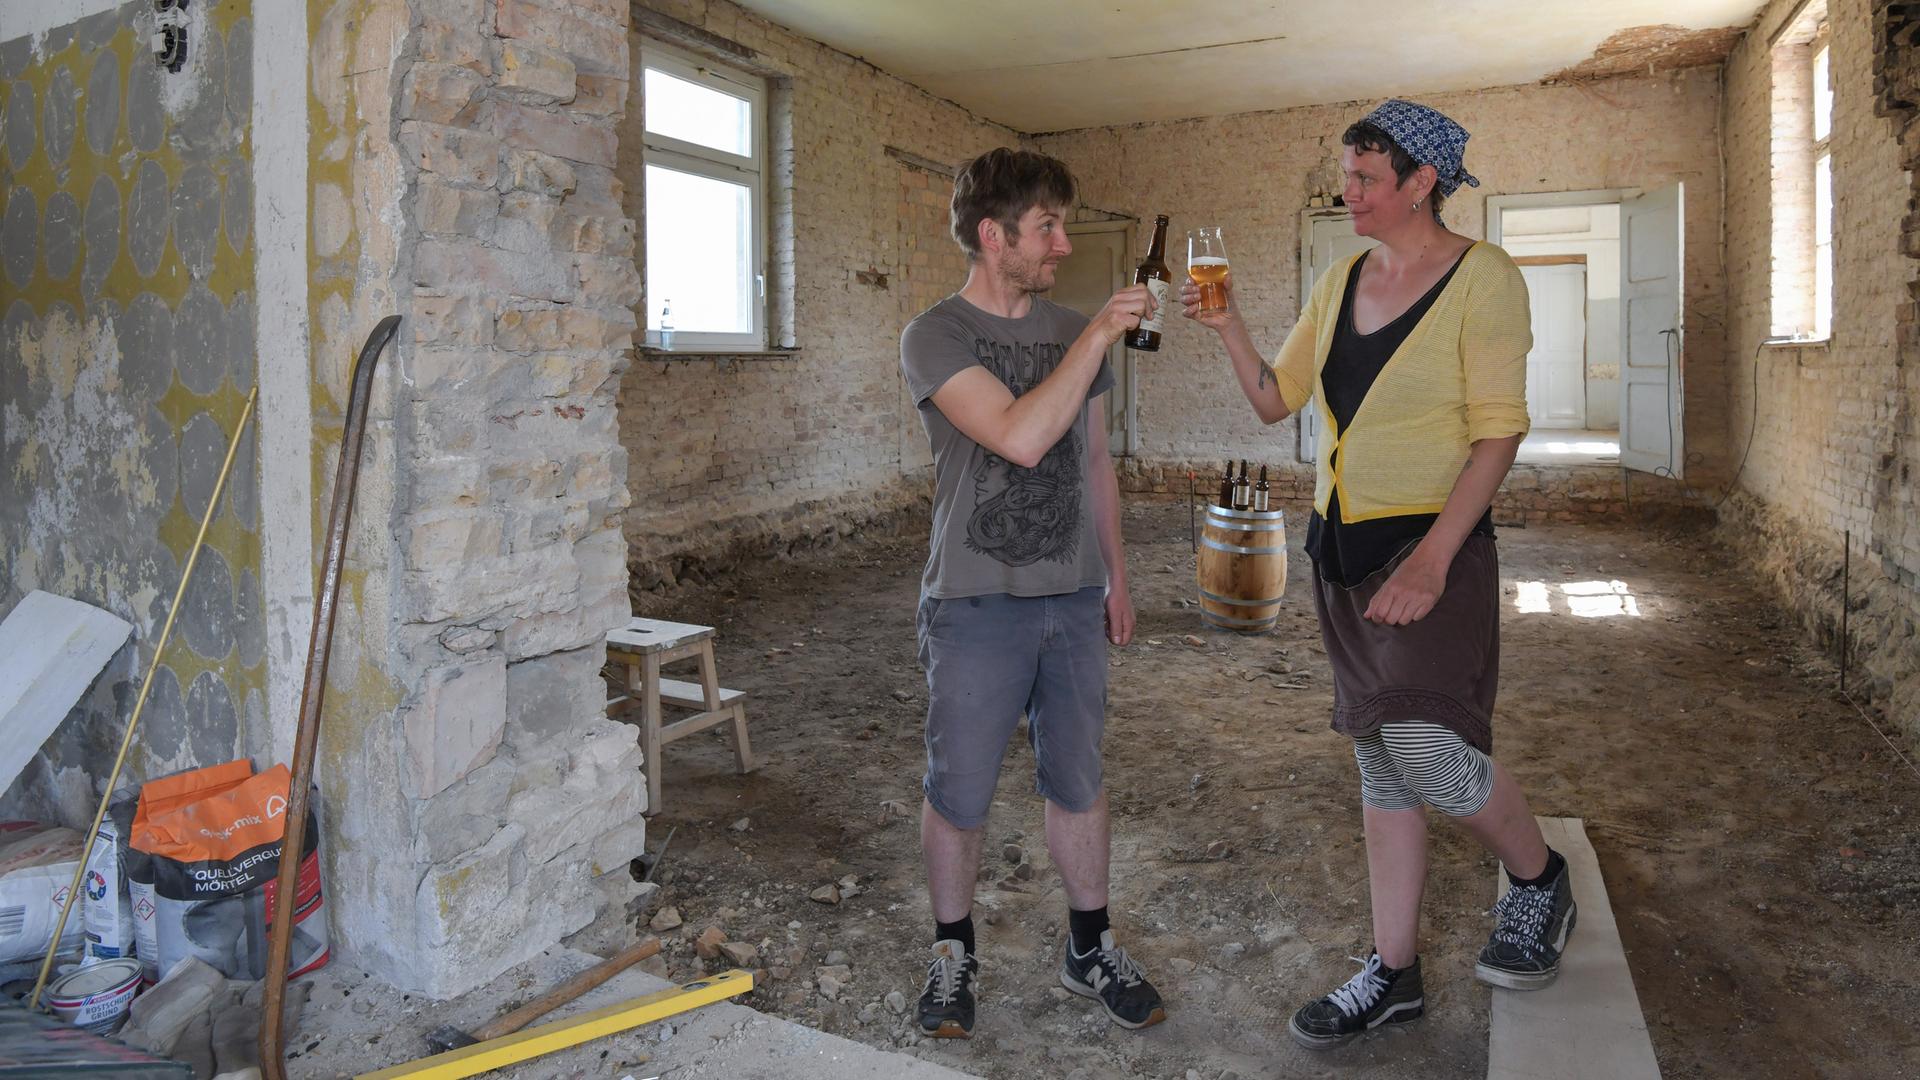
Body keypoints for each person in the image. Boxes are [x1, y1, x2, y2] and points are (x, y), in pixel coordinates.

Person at [1180, 100, 1576, 1050]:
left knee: (1429, 749)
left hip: (1430, 546)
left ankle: (1538, 878)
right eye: (1346, 176)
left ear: (1421, 183)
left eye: (1365, 179)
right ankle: (1393, 971)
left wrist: (1437, 562)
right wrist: (1231, 323)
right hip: (1341, 547)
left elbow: (1499, 431)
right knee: (1379, 757)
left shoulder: (1485, 279)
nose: (1347, 192)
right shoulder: (1342, 275)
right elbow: (1276, 401)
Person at [898, 146, 1167, 1039]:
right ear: (993, 235)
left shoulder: (1069, 329)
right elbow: (1016, 437)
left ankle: (1089, 947)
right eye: (1046, 226)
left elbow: (1093, 460)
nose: (1061, 244)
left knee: (1079, 779)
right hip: (975, 603)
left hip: (1072, 600)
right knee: (961, 788)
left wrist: (1116, 577)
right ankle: (951, 952)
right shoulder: (934, 336)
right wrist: (1096, 334)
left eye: (1062, 224)